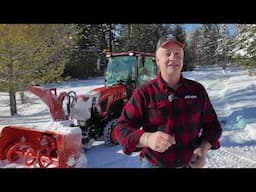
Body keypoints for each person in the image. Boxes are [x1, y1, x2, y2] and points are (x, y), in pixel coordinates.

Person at [113, 34, 222, 168]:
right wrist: (147, 138)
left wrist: (203, 149)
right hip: (154, 163)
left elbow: (213, 125)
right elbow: (120, 129)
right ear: (158, 60)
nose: (173, 58)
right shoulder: (144, 93)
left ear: (182, 59)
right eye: (168, 54)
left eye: (177, 54)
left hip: (190, 164)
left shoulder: (197, 90)